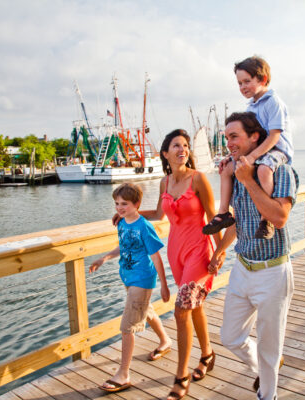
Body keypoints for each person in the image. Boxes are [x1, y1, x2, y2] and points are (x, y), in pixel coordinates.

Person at [208, 112, 299, 400]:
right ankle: (264, 367)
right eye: (227, 137)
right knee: (230, 337)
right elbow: (237, 219)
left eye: (234, 136)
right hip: (242, 268)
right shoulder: (234, 170)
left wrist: (248, 181)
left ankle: (267, 394)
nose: (229, 143)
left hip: (273, 271)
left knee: (270, 346)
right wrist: (220, 251)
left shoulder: (279, 170)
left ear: (255, 137)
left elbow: (280, 217)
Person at [139, 129, 225, 400]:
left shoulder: (198, 179)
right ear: (165, 153)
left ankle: (181, 377)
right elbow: (157, 214)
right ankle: (208, 355)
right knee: (193, 306)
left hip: (199, 251)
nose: (182, 149)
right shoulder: (165, 183)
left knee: (180, 310)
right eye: (176, 145)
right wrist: (128, 213)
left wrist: (219, 253)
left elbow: (215, 217)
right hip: (176, 252)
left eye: (185, 145)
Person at [89, 183, 171, 394]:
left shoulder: (144, 226)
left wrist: (163, 285)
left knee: (127, 327)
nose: (119, 207)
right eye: (117, 203)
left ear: (137, 204)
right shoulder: (123, 223)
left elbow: (155, 256)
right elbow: (123, 245)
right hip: (127, 276)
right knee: (147, 311)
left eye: (124, 204)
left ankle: (123, 374)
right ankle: (165, 340)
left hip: (142, 278)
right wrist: (104, 258)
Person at [203, 55, 293, 240]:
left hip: (276, 149)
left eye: (246, 81)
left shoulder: (272, 102)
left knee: (264, 170)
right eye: (239, 83)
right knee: (227, 169)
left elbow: (274, 135)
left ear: (263, 80)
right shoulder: (251, 107)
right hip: (259, 150)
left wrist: (252, 158)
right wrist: (231, 157)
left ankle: (265, 219)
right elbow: (247, 138)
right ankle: (223, 213)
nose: (242, 87)